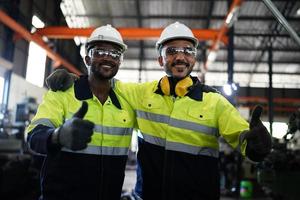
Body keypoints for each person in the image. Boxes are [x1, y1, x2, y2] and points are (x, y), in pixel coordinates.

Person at [46, 22, 272, 200]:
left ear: (194, 57)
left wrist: (257, 146)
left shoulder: (215, 102)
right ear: (160, 59)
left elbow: (244, 140)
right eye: (172, 50)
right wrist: (74, 80)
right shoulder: (140, 94)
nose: (180, 56)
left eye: (187, 50)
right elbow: (103, 80)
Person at [26, 24, 136, 200]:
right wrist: (57, 136)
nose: (108, 58)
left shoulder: (128, 99)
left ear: (120, 61)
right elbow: (33, 136)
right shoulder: (62, 94)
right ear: (87, 59)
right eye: (99, 52)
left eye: (115, 54)